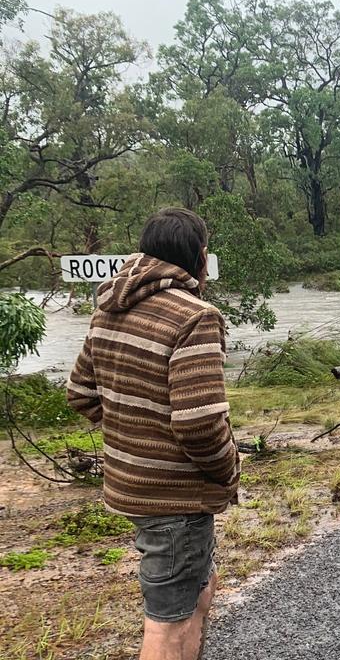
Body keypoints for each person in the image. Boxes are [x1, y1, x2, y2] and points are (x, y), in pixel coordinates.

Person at [66, 208, 238, 660]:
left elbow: (81, 394)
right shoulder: (195, 316)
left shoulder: (108, 308)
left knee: (199, 587)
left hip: (130, 487)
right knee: (167, 624)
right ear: (200, 256)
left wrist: (135, 435)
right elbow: (200, 424)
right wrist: (229, 470)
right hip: (174, 496)